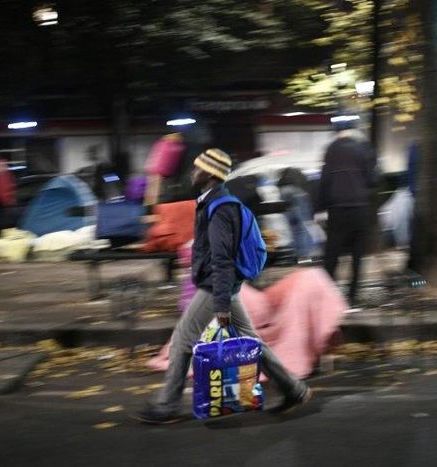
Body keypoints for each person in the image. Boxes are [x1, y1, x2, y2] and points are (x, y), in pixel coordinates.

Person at [134, 148, 311, 424]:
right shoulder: (211, 202)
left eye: (197, 168)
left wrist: (220, 304)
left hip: (214, 287)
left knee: (182, 339)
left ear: (209, 173)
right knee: (251, 341)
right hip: (221, 286)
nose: (193, 172)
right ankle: (294, 390)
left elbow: (222, 259)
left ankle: (166, 405)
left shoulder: (220, 208)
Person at [319, 118, 377, 307]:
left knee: (332, 252)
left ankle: (328, 294)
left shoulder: (331, 150)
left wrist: (319, 207)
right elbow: (372, 179)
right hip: (360, 207)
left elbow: (325, 180)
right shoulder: (362, 149)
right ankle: (353, 294)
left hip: (337, 208)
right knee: (357, 254)